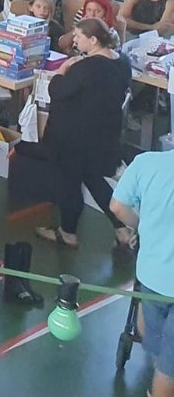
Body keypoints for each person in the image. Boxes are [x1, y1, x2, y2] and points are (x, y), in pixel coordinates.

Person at [32, 18, 132, 250]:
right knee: (94, 179)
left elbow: (57, 90)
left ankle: (68, 232)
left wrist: (61, 71)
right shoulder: (122, 62)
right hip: (104, 134)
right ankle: (122, 228)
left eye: (78, 36)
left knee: (70, 183)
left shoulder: (85, 68)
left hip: (74, 137)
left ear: (93, 40)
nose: (74, 40)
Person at [110, 150, 174, 397]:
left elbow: (117, 206)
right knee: (169, 368)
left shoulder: (146, 163)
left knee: (157, 345)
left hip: (151, 277)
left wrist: (141, 224)